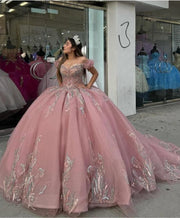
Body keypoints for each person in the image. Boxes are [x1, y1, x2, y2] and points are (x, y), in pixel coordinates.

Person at [0, 35, 180, 217]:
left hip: (82, 94)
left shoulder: (83, 60)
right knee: (53, 135)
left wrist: (88, 86)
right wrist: (62, 87)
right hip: (61, 95)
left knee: (91, 134)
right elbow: (59, 77)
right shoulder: (60, 61)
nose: (65, 45)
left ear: (74, 46)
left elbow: (94, 73)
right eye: (65, 43)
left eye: (67, 44)